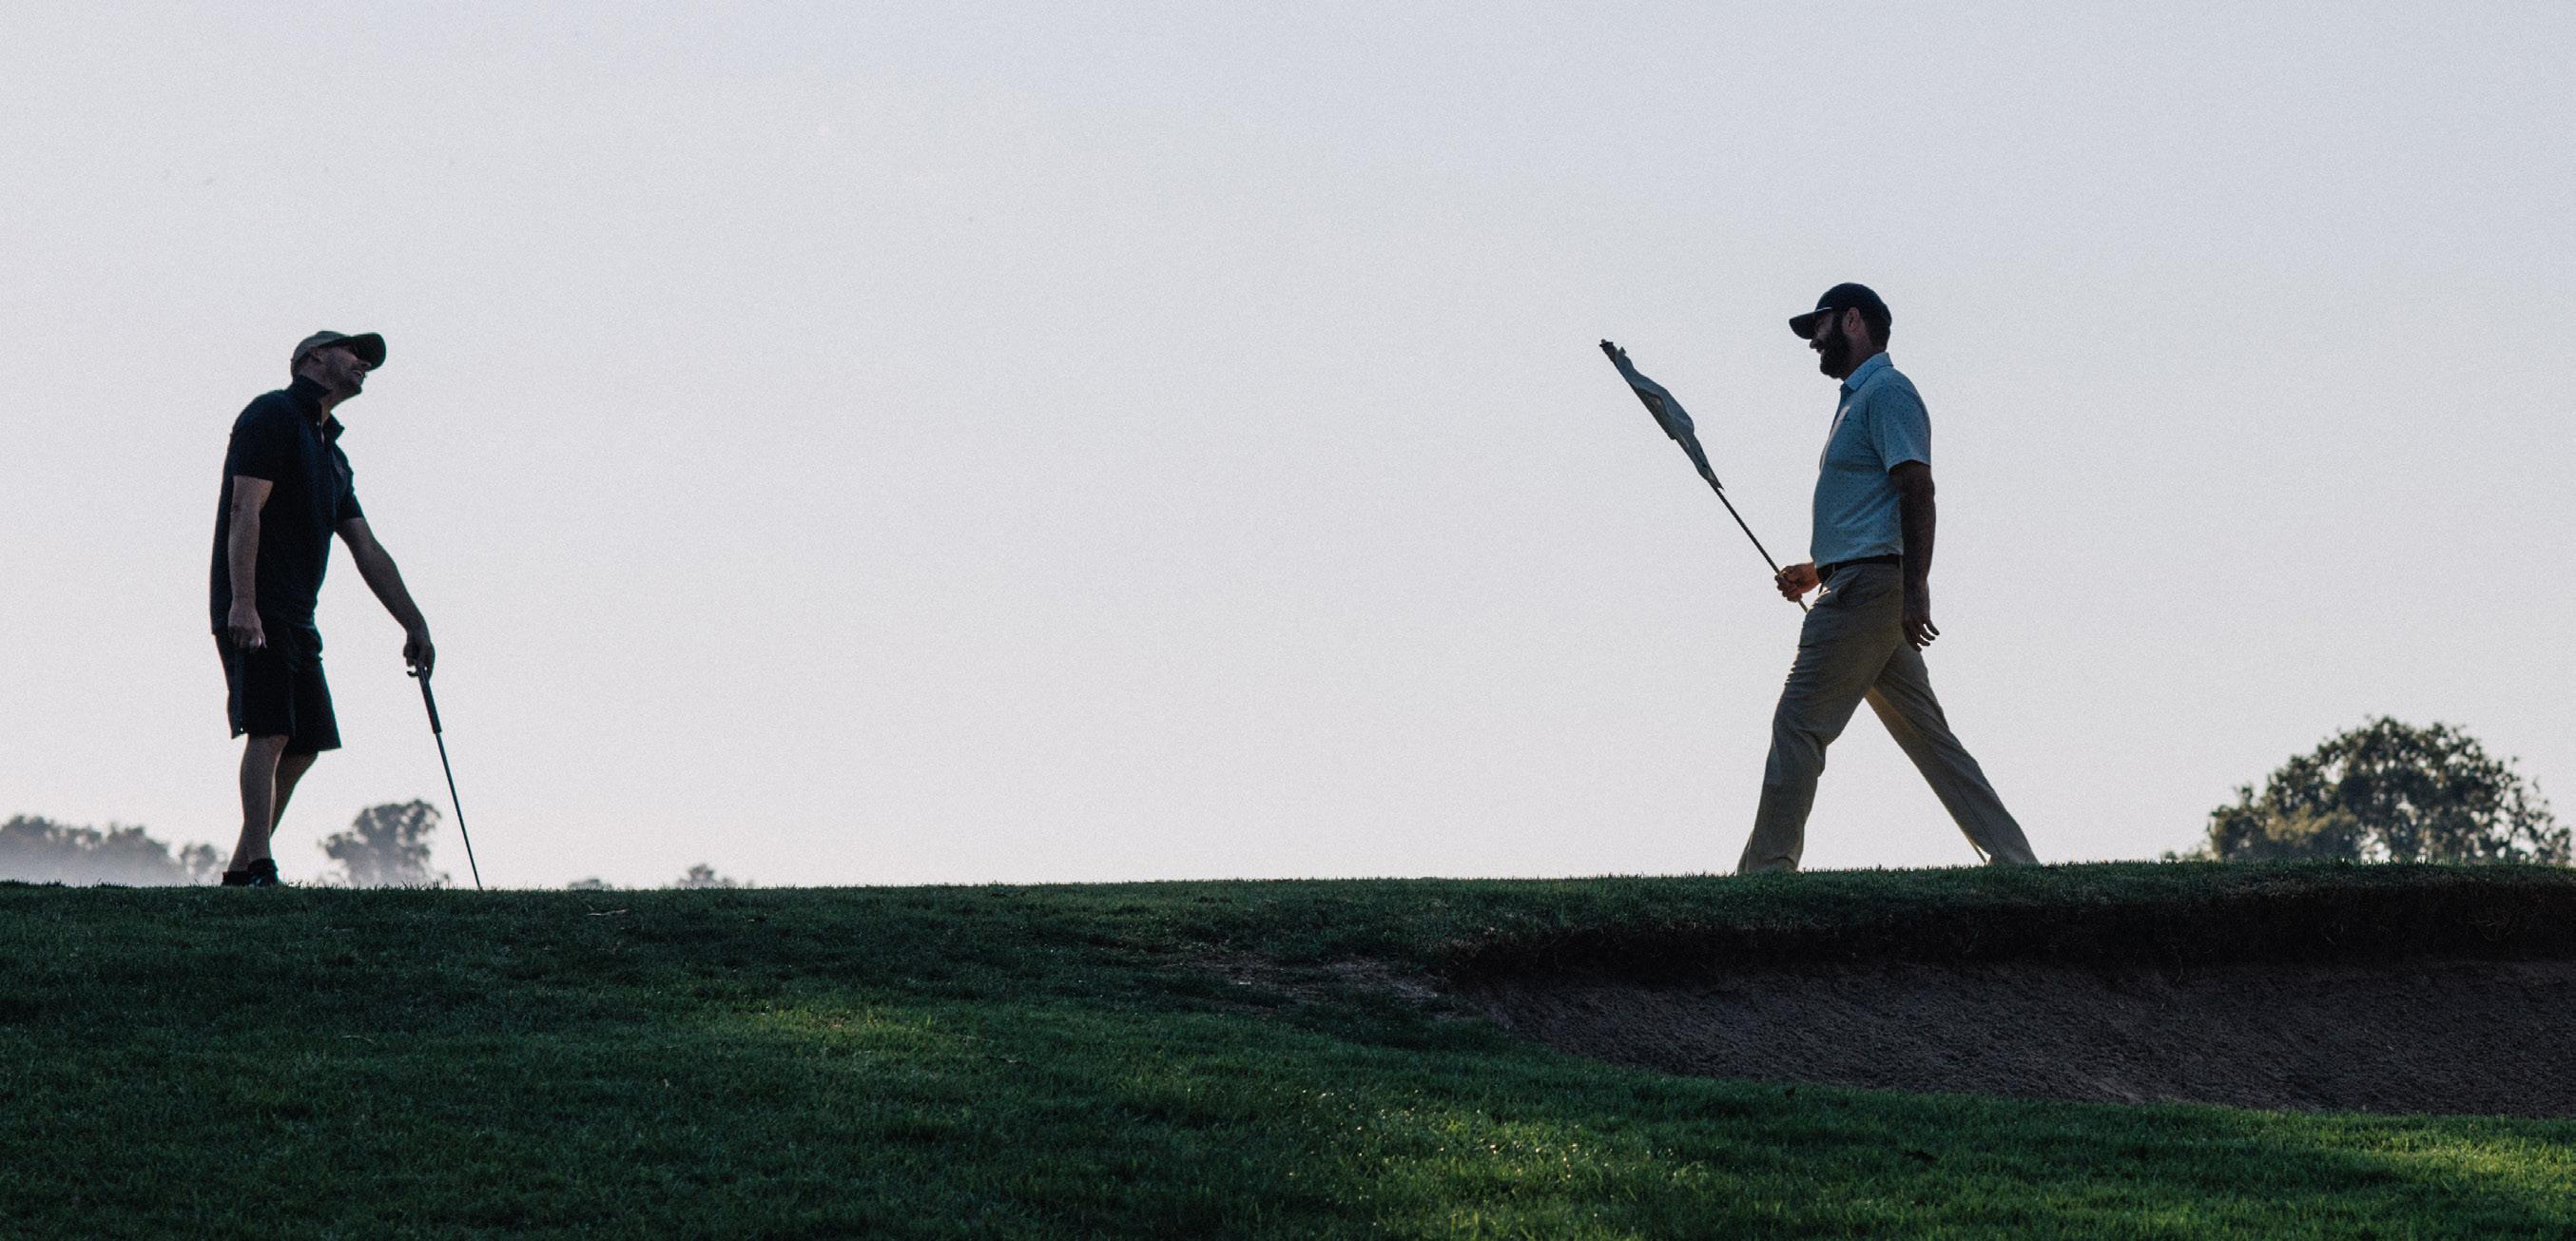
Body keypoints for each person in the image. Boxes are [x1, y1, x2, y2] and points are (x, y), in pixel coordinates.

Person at [1736, 284, 2038, 874]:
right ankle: (2015, 861)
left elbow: (1916, 487)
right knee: (1929, 738)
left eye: (1819, 326)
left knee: (1798, 723)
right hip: (1864, 586)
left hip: (1865, 595)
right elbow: (1875, 507)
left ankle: (1766, 873)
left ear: (1852, 321)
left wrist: (1915, 590)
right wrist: (1818, 569)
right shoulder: (1861, 399)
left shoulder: (1887, 392)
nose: (1813, 341)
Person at [209, 331, 435, 886]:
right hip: (257, 606)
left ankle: (241, 868)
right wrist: (243, 603)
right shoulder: (272, 415)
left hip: (298, 614)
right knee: (269, 730)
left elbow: (367, 548)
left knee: (305, 742)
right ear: (313, 357)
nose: (364, 363)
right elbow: (244, 507)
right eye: (353, 351)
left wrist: (414, 622)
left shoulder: (332, 456)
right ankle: (259, 865)